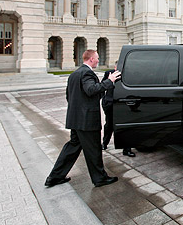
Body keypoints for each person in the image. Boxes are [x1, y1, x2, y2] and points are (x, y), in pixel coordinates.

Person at [45, 49, 121, 188]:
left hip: (76, 119)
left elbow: (71, 96)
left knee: (72, 148)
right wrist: (109, 81)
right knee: (93, 149)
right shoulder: (87, 73)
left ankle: (54, 177)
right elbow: (91, 90)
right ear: (91, 59)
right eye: (97, 58)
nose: (98, 60)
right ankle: (99, 178)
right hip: (87, 121)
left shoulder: (74, 74)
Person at [102, 61, 135, 157]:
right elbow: (102, 87)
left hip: (123, 104)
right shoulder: (108, 73)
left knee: (125, 126)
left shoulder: (128, 75)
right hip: (110, 103)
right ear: (115, 67)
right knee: (109, 125)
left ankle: (127, 149)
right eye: (117, 67)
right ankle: (104, 144)